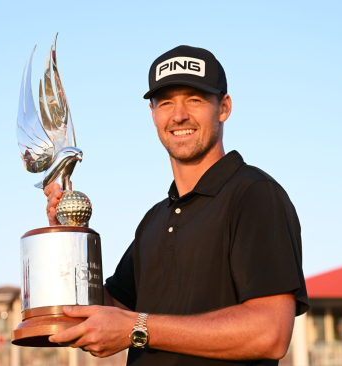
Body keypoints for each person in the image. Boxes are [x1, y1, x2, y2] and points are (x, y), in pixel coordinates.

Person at [44, 45, 309, 365]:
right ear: (153, 114)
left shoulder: (254, 195)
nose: (178, 115)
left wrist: (137, 329)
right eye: (166, 102)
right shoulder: (155, 219)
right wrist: (69, 241)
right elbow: (115, 309)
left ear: (223, 108)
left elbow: (269, 333)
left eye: (194, 100)